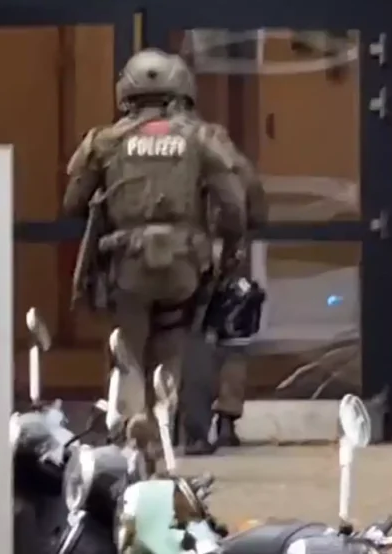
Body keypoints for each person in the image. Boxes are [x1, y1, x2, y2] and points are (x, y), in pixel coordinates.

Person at [61, 48, 247, 473]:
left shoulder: (103, 141)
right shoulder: (200, 139)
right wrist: (230, 247)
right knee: (172, 345)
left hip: (127, 264)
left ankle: (132, 427)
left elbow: (72, 203)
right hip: (183, 265)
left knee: (128, 349)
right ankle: (164, 432)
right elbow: (233, 205)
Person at [165, 54, 267, 453]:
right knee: (230, 338)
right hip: (219, 251)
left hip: (173, 254)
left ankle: (175, 424)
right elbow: (252, 197)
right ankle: (224, 419)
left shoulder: (146, 141)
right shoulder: (215, 139)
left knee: (177, 339)